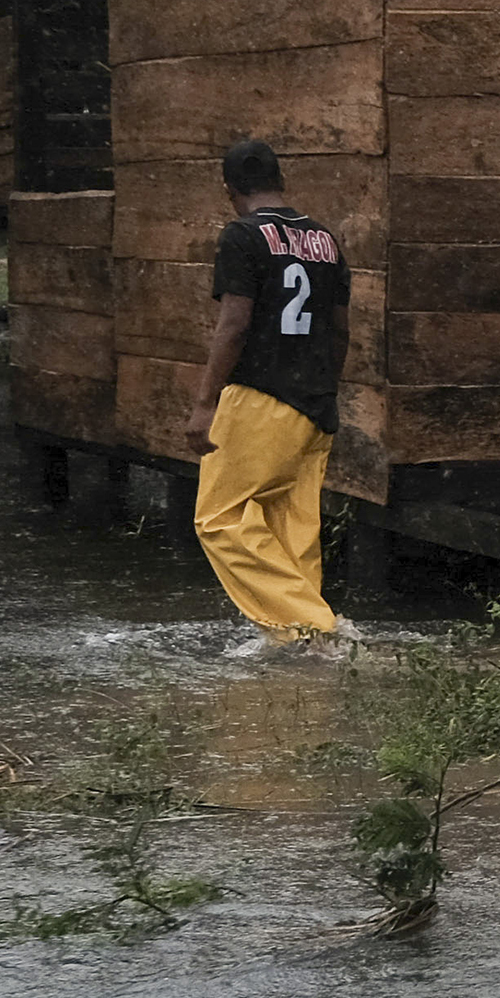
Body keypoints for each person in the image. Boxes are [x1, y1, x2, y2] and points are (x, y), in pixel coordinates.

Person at [182, 137, 354, 651]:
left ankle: (317, 627)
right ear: (281, 181)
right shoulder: (325, 239)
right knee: (292, 528)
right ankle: (297, 648)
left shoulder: (242, 236)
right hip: (315, 403)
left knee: (219, 518)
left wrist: (204, 402)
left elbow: (234, 323)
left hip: (259, 395)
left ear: (230, 188)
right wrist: (327, 389)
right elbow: (341, 328)